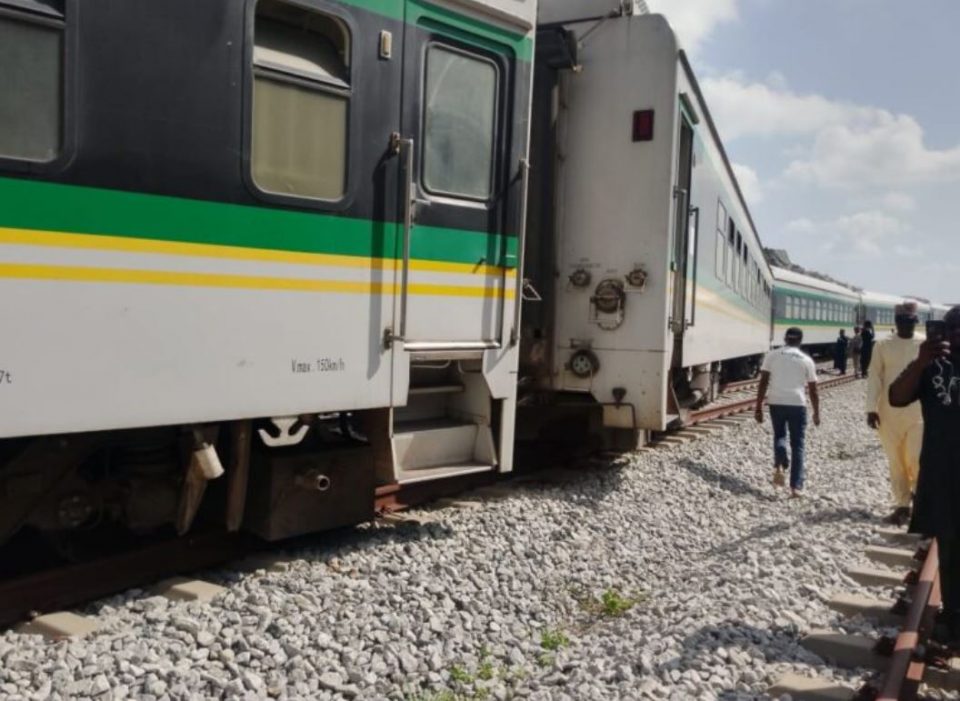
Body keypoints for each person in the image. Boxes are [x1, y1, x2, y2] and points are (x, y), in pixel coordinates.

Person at [889, 306, 960, 648]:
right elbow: (897, 397)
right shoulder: (931, 366)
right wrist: (919, 362)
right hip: (942, 472)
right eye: (951, 328)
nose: (957, 334)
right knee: (949, 548)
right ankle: (954, 617)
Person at [866, 302, 923, 525]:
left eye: (911, 321)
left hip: (918, 413)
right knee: (895, 460)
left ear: (915, 322)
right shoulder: (882, 345)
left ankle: (920, 501)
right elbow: (874, 377)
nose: (906, 325)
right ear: (896, 322)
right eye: (903, 321)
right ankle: (902, 505)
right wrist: (871, 408)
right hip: (888, 413)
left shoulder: (924, 344)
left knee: (916, 457)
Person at [755, 327, 821, 498]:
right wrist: (816, 412)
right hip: (797, 404)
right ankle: (795, 487)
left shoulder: (772, 355)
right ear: (800, 340)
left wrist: (758, 406)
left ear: (785, 339)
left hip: (776, 402)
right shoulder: (806, 360)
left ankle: (780, 460)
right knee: (798, 445)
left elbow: (763, 382)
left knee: (779, 436)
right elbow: (813, 390)